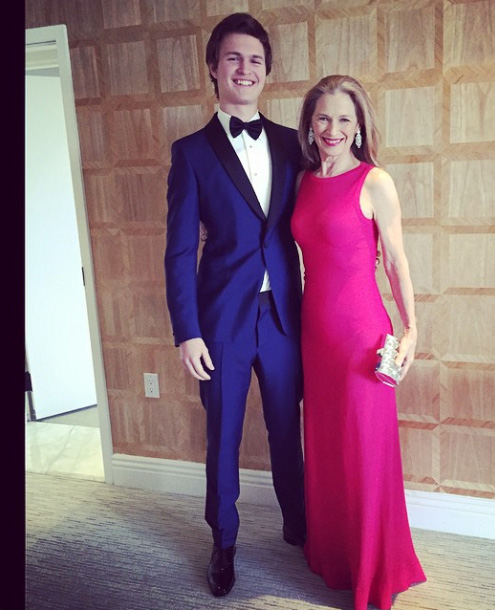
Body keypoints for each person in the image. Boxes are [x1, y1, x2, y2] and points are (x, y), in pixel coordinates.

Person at [164, 13, 306, 598]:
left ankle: (300, 525)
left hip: (283, 316)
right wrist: (187, 331)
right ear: (213, 69)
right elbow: (179, 249)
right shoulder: (190, 153)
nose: (245, 69)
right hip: (220, 319)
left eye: (255, 60)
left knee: (286, 428)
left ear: (266, 72)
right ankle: (223, 541)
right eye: (233, 58)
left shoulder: (294, 144)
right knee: (222, 435)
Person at [291, 75, 427, 610]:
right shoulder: (302, 181)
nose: (333, 129)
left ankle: (374, 573)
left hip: (361, 336)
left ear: (359, 126)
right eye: (323, 117)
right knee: (328, 450)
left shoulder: (375, 181)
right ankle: (336, 557)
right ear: (310, 123)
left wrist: (411, 327)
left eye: (344, 119)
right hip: (314, 336)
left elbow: (394, 260)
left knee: (365, 454)